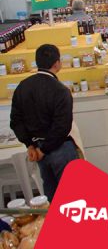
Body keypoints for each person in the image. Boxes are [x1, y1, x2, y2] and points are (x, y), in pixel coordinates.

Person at [11, 44, 79, 201]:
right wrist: (44, 149)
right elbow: (62, 127)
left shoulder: (23, 87)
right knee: (72, 195)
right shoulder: (60, 90)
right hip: (59, 149)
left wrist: (30, 145)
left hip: (37, 149)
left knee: (51, 194)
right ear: (57, 63)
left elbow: (16, 120)